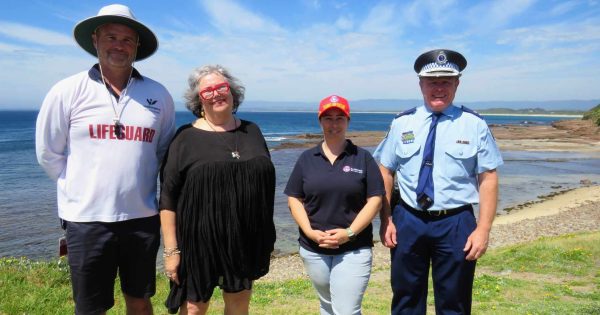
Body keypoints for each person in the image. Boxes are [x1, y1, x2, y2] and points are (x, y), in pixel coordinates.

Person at [35, 4, 176, 315]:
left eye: (127, 39)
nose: (119, 45)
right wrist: (82, 190)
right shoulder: (67, 91)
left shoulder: (159, 95)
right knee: (90, 306)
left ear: (137, 46)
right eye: (111, 36)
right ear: (95, 39)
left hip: (141, 218)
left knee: (139, 299)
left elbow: (165, 154)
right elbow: (49, 154)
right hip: (86, 220)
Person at [374, 49, 503, 315]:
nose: (439, 88)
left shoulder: (474, 124)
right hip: (408, 220)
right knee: (406, 299)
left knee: (454, 303)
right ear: (421, 84)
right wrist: (385, 218)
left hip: (456, 223)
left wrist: (483, 229)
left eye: (446, 81)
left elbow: (488, 178)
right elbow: (385, 171)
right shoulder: (401, 123)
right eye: (432, 81)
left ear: (457, 83)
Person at [159, 64, 276, 314]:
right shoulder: (185, 138)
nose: (216, 94)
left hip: (242, 237)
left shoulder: (252, 131)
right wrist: (171, 251)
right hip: (197, 241)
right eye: (207, 90)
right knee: (193, 308)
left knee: (238, 303)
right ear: (198, 99)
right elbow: (168, 198)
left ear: (232, 92)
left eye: (221, 87)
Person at [284, 95, 384, 315]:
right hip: (313, 250)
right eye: (328, 118)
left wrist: (349, 232)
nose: (334, 124)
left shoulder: (362, 158)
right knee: (328, 306)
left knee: (346, 310)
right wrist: (310, 232)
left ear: (348, 121)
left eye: (340, 118)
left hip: (353, 248)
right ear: (320, 122)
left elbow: (375, 199)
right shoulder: (307, 158)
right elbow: (294, 198)